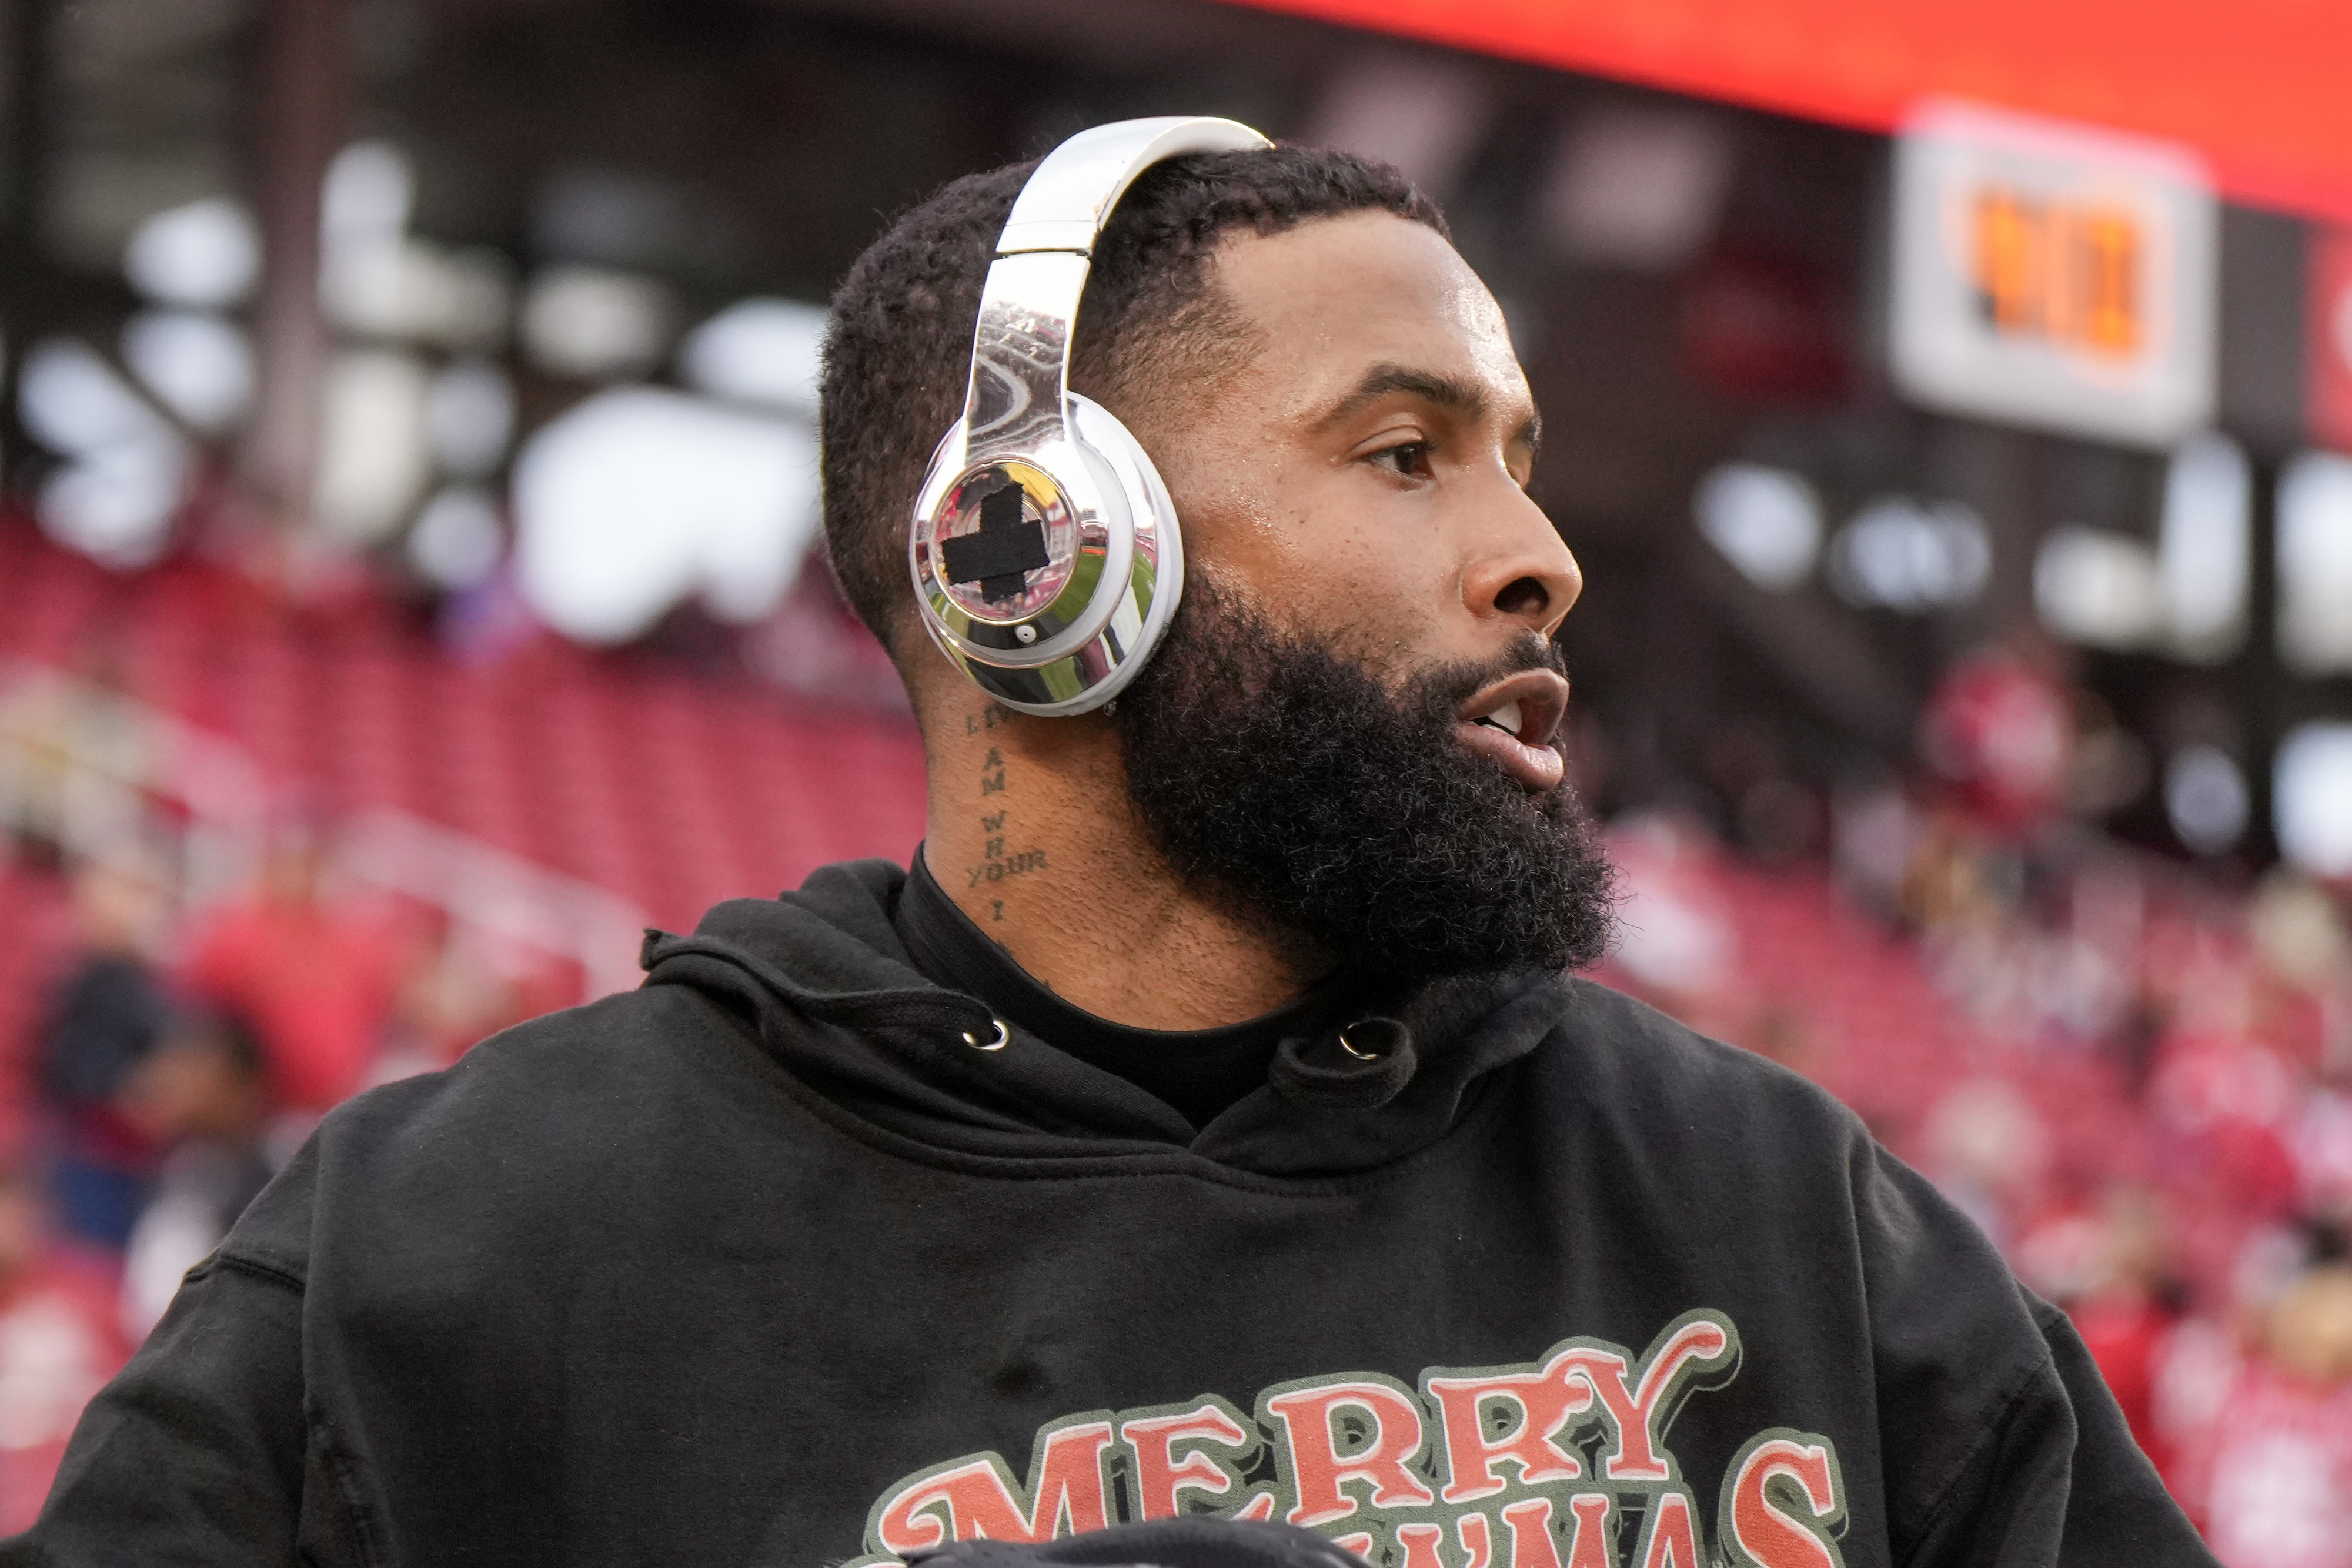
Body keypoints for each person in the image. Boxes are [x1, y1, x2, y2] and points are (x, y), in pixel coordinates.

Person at [12, 123, 2210, 1566]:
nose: (1540, 554)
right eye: (1404, 451)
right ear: (1028, 554)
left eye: (1520, 460)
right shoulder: (466, 1259)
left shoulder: (1796, 1223)